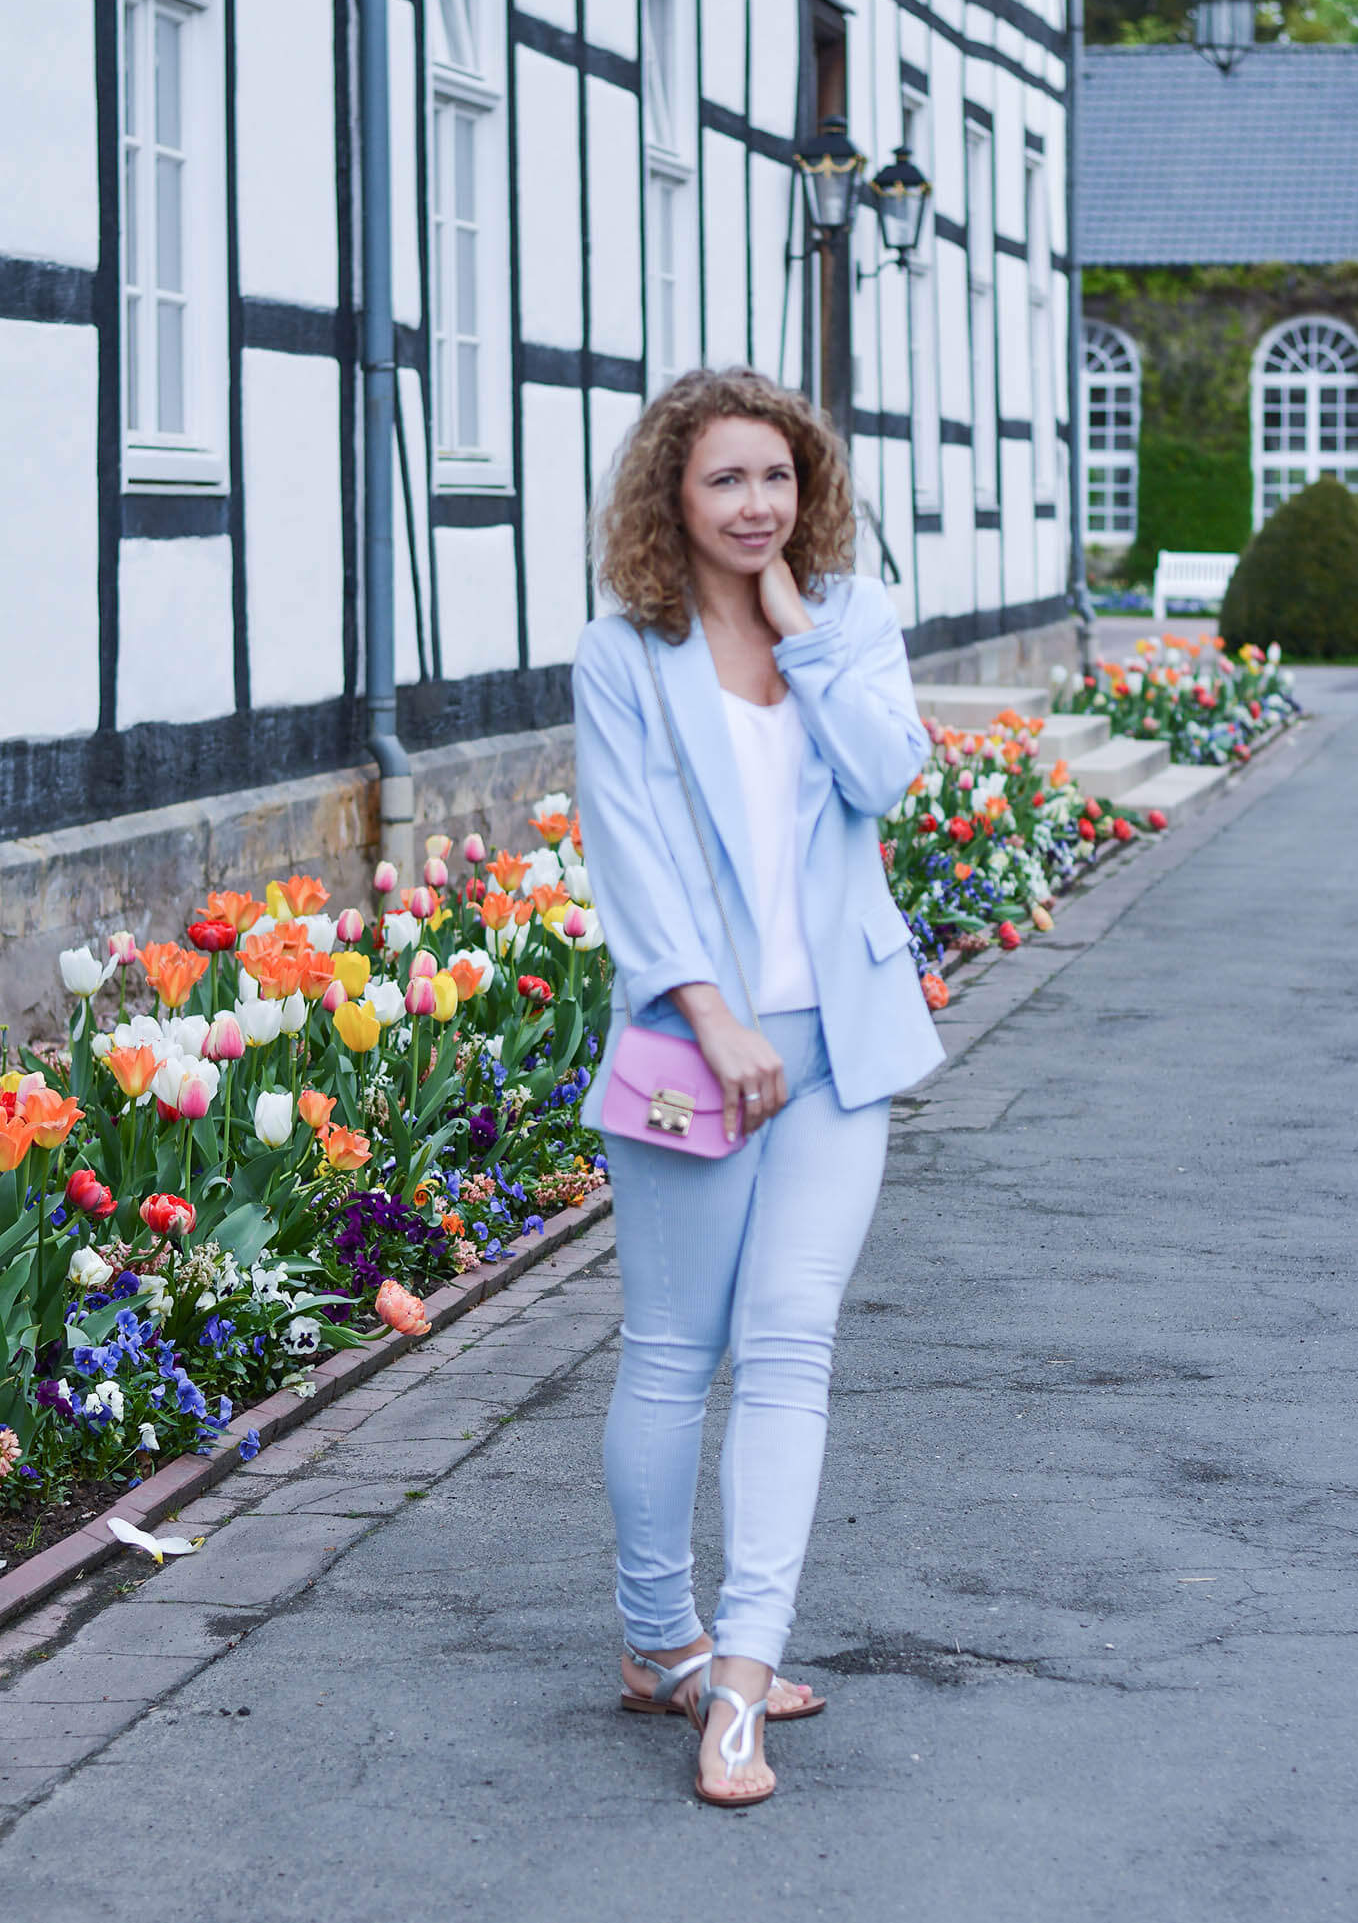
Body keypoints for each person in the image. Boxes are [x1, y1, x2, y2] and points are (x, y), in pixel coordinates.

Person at [572, 367, 943, 1808]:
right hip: (689, 1039)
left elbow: (886, 775)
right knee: (672, 1346)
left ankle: (741, 1672)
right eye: (726, 478)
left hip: (843, 1035)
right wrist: (716, 1018)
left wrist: (801, 638)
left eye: (777, 478)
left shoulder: (844, 621)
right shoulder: (624, 651)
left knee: (791, 1341)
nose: (755, 504)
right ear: (673, 489)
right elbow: (633, 857)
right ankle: (658, 1634)